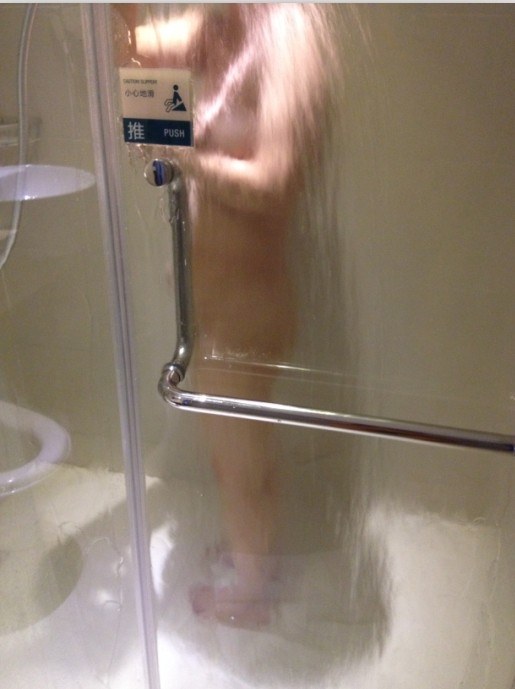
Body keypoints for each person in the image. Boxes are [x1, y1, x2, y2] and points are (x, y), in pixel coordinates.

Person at [113, 3, 337, 626]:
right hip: (220, 304)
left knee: (239, 465)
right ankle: (254, 557)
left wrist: (181, 152)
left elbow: (273, 183)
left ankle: (251, 594)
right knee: (241, 456)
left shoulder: (290, 34)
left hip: (247, 306)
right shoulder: (225, 23)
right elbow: (135, 43)